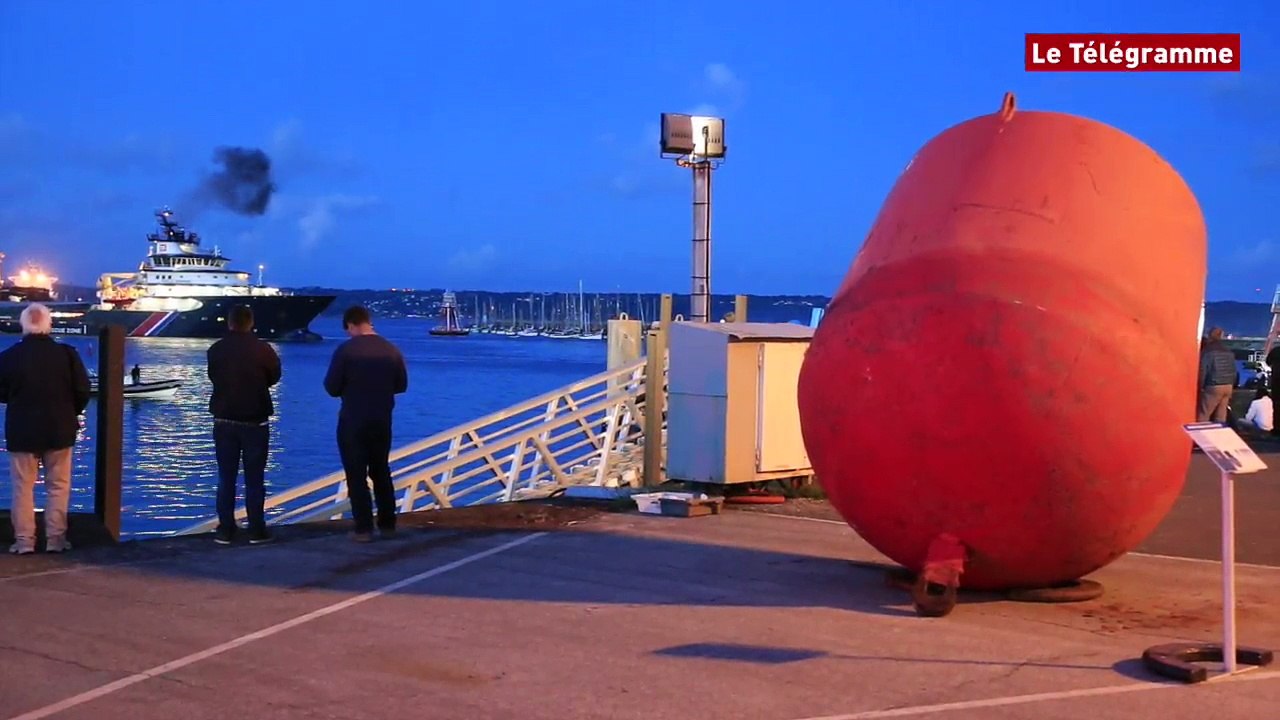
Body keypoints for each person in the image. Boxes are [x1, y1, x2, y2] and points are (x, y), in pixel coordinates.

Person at [0, 303, 91, 554]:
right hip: (59, 428)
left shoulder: (8, 357)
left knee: (22, 487)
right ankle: (55, 540)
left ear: (23, 325)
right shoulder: (67, 354)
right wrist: (70, 411)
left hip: (21, 430)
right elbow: (83, 390)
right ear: (48, 324)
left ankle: (24, 541)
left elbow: (2, 392)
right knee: (58, 486)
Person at [324, 306, 408, 542]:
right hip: (382, 420)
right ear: (368, 322)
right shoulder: (391, 350)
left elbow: (331, 388)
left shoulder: (346, 351)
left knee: (356, 475)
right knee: (381, 470)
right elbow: (401, 385)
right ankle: (388, 524)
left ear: (350, 325)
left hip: (353, 419)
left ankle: (363, 529)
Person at [206, 304, 282, 545]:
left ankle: (225, 529)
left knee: (226, 477)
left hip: (224, 419)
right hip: (255, 420)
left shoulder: (216, 350)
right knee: (255, 478)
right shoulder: (264, 349)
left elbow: (213, 376)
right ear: (251, 323)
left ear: (230, 323)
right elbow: (274, 377)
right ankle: (257, 529)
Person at [1197, 327, 1237, 423]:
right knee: (1221, 417)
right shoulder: (1228, 351)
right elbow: (1234, 371)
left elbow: (1203, 370)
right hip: (1228, 386)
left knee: (1204, 415)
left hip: (1214, 386)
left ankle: (1201, 436)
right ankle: (1219, 436)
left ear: (1210, 336)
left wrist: (1200, 386)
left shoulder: (1208, 351)